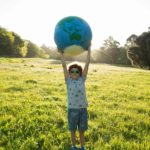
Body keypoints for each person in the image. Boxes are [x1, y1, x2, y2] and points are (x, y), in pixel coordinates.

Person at [60, 48, 91, 150]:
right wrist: (62, 54)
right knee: (72, 130)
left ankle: (82, 147)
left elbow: (87, 64)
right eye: (72, 71)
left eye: (77, 71)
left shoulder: (82, 79)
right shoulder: (68, 80)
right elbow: (64, 65)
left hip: (82, 110)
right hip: (72, 110)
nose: (74, 72)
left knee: (81, 130)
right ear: (69, 73)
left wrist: (89, 51)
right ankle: (74, 146)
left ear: (80, 73)